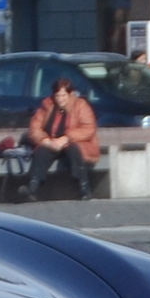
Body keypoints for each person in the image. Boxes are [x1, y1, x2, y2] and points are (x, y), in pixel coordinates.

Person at [20, 71, 99, 202]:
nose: (60, 99)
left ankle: (84, 189)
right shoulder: (47, 105)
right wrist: (45, 141)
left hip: (75, 142)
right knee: (41, 152)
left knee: (74, 150)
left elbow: (89, 128)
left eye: (63, 95)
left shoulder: (81, 105)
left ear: (70, 94)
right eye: (57, 95)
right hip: (52, 142)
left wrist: (66, 138)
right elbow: (34, 128)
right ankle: (32, 188)